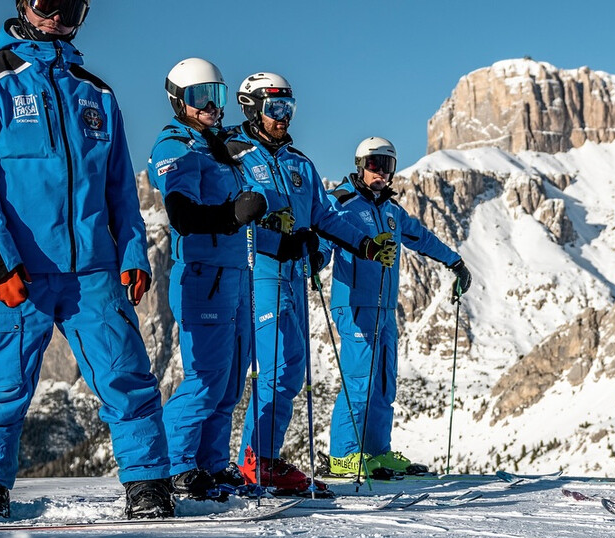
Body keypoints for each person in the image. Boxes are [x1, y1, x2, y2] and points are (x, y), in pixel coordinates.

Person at [0, 0, 172, 522]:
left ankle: (149, 484)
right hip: (17, 270)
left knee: (126, 374)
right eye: (46, 2)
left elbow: (120, 190)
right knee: (2, 384)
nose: (57, 15)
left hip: (92, 271)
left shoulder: (97, 93)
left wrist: (132, 252)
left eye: (71, 6)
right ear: (23, 3)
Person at [224, 73, 398, 495]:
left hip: (294, 279)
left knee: (292, 369)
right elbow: (230, 217)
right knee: (278, 367)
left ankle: (261, 459)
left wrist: (366, 246)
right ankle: (254, 462)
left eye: (289, 108)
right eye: (274, 109)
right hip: (257, 273)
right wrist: (274, 236)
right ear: (251, 108)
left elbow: (326, 218)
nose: (283, 117)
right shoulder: (234, 157)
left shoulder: (300, 163)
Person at [148, 58, 267, 500]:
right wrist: (231, 214)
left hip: (237, 273)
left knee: (232, 378)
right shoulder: (176, 146)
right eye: (201, 98)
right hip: (204, 275)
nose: (212, 107)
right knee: (207, 375)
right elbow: (182, 214)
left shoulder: (216, 146)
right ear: (179, 101)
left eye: (216, 96)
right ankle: (176, 462)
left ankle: (212, 462)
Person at [320, 137, 472, 478]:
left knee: (384, 383)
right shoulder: (341, 202)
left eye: (387, 166)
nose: (381, 172)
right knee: (359, 381)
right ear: (360, 165)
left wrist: (455, 262)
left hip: (385, 308)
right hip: (355, 304)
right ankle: (344, 454)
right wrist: (313, 258)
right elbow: (322, 234)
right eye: (374, 164)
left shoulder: (391, 210)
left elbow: (422, 238)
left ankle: (376, 451)